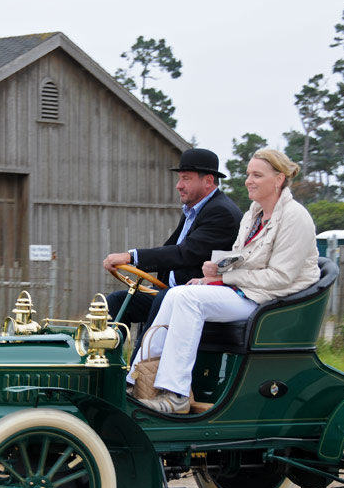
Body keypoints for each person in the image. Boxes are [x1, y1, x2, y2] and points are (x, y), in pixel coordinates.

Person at [131, 148, 320, 414]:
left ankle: (176, 395)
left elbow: (281, 277)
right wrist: (213, 275)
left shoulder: (295, 217)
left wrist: (224, 276)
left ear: (278, 179)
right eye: (248, 174)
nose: (248, 181)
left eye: (257, 175)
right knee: (177, 293)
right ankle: (138, 383)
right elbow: (243, 258)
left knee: (187, 300)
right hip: (247, 292)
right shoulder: (253, 214)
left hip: (272, 300)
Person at [102, 147, 243, 349]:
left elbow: (184, 253)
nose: (179, 185)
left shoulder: (221, 213)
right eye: (179, 179)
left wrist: (130, 257)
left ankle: (138, 374)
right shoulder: (194, 210)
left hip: (193, 296)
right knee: (116, 302)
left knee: (160, 303)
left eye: (186, 179)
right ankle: (108, 365)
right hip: (169, 291)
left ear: (208, 181)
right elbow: (172, 248)